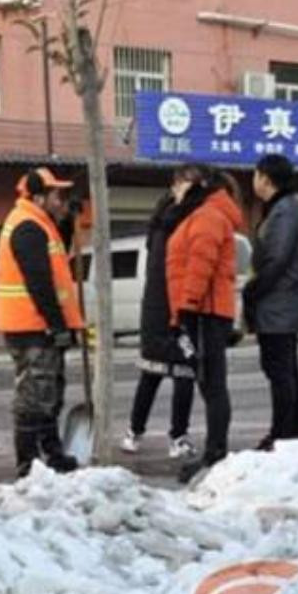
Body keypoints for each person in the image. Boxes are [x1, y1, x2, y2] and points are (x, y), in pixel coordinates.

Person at [0, 167, 84, 478]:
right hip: (31, 328)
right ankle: (29, 463)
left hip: (38, 326)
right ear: (38, 196)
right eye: (58, 196)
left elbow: (59, 256)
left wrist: (71, 222)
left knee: (50, 394)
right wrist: (57, 324)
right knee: (34, 397)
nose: (62, 201)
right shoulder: (27, 227)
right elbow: (39, 282)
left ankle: (53, 453)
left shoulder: (39, 224)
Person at [166, 167, 245, 484]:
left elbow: (201, 263)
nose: (175, 187)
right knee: (209, 383)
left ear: (199, 185)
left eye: (180, 181)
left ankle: (215, 454)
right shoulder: (199, 213)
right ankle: (215, 451)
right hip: (201, 311)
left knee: (212, 383)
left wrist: (186, 308)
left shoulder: (208, 215)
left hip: (204, 312)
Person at [119, 167, 201, 460]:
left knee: (152, 372)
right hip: (172, 303)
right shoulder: (179, 216)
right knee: (183, 372)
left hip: (154, 304)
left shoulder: (159, 218)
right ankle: (177, 437)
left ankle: (134, 432)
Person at [243, 153, 298, 451]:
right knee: (287, 369)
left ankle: (282, 434)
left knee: (279, 370)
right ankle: (293, 430)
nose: (253, 180)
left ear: (266, 179)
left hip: (278, 301)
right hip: (283, 300)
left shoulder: (284, 211)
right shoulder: (288, 207)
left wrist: (254, 290)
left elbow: (277, 258)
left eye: (255, 174)